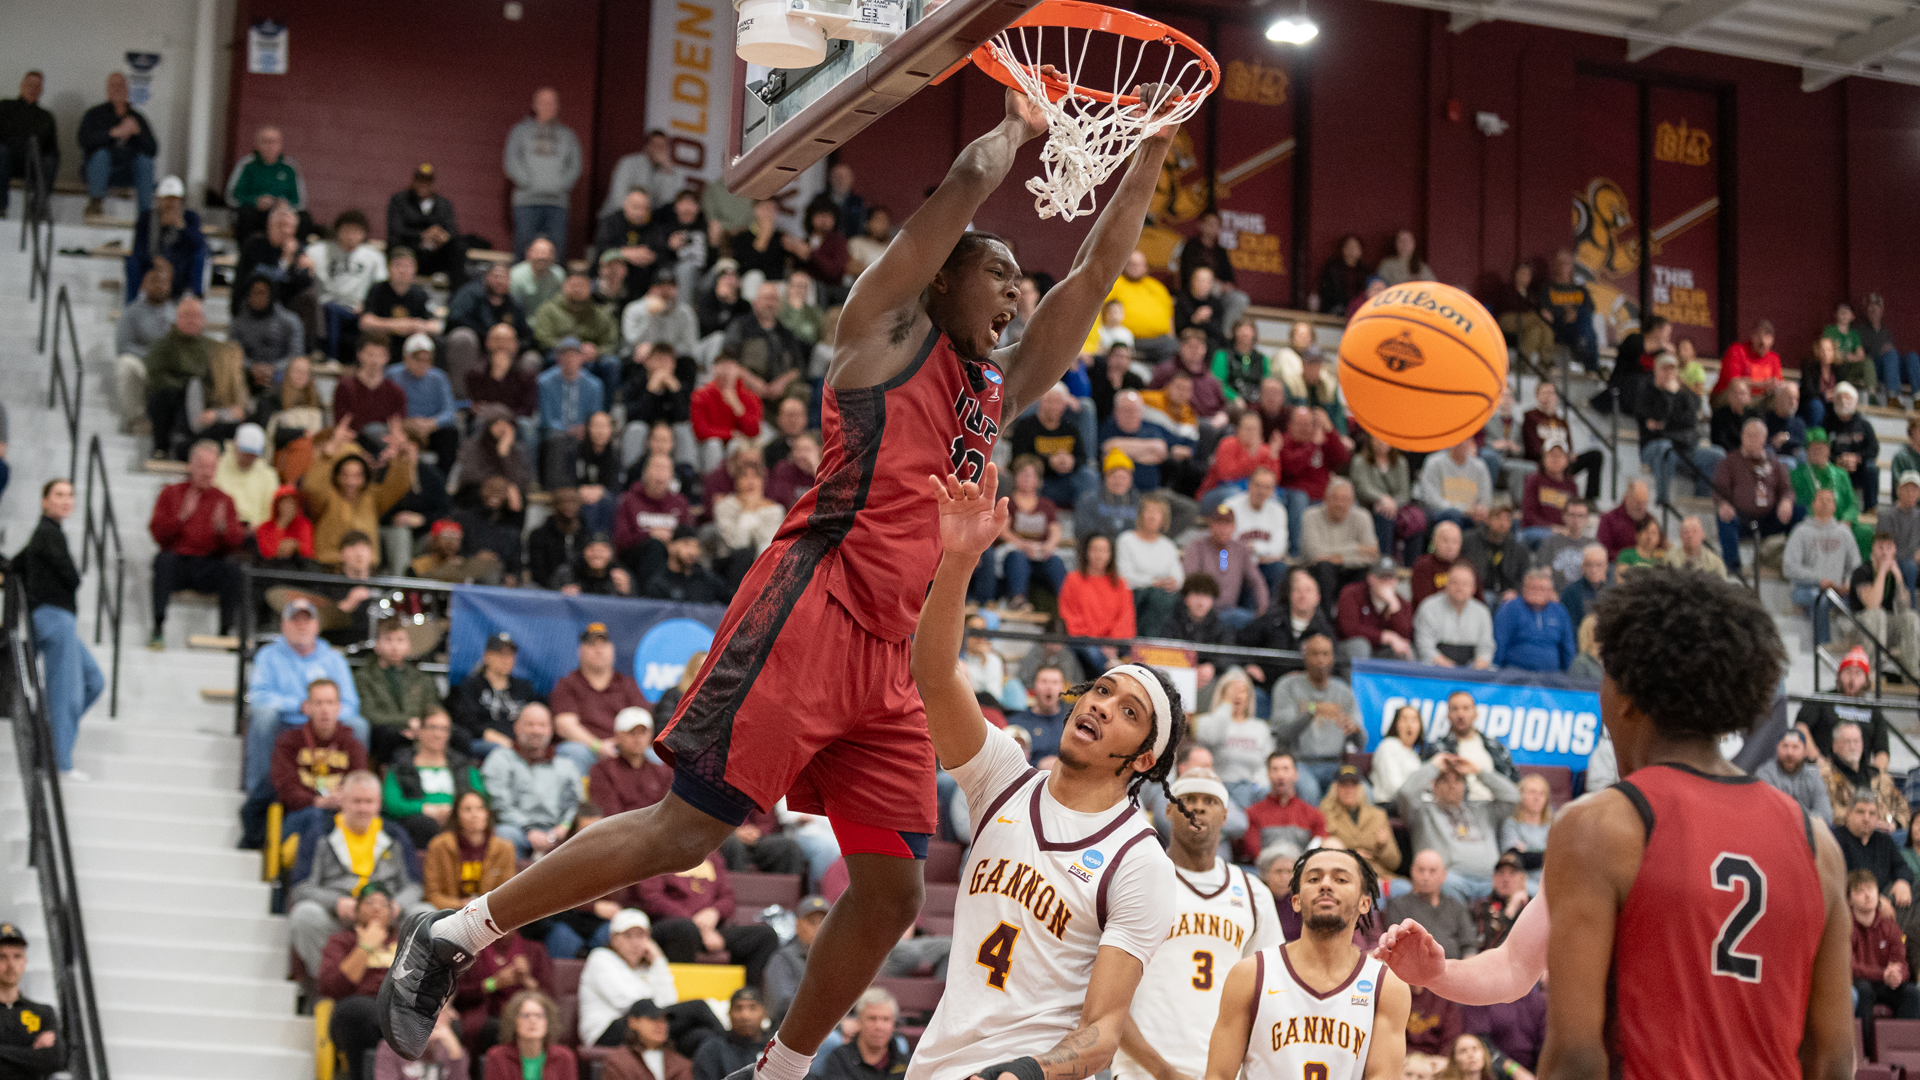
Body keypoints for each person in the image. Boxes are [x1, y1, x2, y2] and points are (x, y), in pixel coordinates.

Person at [379, 90, 1179, 1074]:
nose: (1017, 295)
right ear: (943, 277)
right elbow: (963, 187)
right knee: (685, 833)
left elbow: (1096, 276)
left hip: (892, 656)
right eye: (1000, 272)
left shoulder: (993, 393)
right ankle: (453, 933)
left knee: (890, 891)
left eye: (1021, 285)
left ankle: (782, 1069)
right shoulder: (882, 335)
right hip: (815, 602)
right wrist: (1016, 129)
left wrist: (1147, 149)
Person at [1462, 568, 1861, 1080]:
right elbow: (1832, 1061)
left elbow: (1577, 1056)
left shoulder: (1601, 825)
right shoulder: (1817, 842)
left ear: (1627, 693)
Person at [897, 464, 1179, 1080]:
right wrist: (958, 563)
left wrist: (1022, 1075)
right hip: (937, 1065)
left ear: (1145, 758)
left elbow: (1104, 1033)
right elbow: (936, 674)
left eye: (1127, 711)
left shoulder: (1139, 861)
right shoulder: (1002, 778)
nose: (1101, 706)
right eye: (1100, 691)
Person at [1111, 768, 1280, 1080]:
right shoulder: (1137, 878)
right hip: (1143, 1072)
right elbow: (1107, 995)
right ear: (1169, 810)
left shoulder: (1254, 892)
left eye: (1209, 800)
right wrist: (1163, 1072)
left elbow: (1270, 993)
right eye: (1187, 799)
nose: (1198, 807)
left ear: (1225, 815)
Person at [1199, 847, 1409, 1080]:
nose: (1326, 885)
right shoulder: (1251, 974)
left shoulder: (1387, 986)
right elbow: (1218, 1075)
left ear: (1364, 903)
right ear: (1296, 901)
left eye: (1341, 879)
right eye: (1314, 878)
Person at [288, 772, 427, 974]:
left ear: (378, 804)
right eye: (357, 801)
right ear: (343, 801)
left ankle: (408, 988)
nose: (363, 808)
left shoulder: (396, 836)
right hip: (340, 916)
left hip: (387, 916)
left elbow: (414, 886)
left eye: (369, 802)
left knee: (424, 913)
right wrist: (335, 903)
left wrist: (395, 905)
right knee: (305, 915)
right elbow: (301, 887)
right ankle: (331, 983)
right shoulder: (319, 833)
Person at [12, 480, 100, 779]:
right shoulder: (47, 535)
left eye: (70, 495)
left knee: (94, 680)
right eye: (59, 495)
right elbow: (72, 578)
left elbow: (16, 565)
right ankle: (59, 763)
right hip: (54, 618)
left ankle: (48, 736)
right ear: (44, 501)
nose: (66, 500)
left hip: (62, 621)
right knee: (65, 694)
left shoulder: (45, 535)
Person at [1396, 751, 1520, 905]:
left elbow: (1513, 797)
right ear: (1434, 785)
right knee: (1447, 883)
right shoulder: (1422, 812)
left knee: (1517, 886)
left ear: (1465, 786)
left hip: (1489, 880)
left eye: (1458, 780)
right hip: (1451, 881)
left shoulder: (1482, 809)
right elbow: (1405, 793)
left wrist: (1478, 771)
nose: (1452, 785)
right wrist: (1434, 766)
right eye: (1445, 781)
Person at [320, 881, 406, 1080]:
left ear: (392, 912)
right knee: (356, 1011)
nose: (376, 908)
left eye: (383, 904)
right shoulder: (341, 941)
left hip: (402, 1007)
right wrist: (365, 947)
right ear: (356, 911)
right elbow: (331, 987)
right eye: (369, 903)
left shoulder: (405, 941)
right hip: (360, 1007)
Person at [480, 703, 581, 859]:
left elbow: (575, 804)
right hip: (516, 829)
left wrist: (562, 828)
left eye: (542, 725)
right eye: (530, 724)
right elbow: (499, 803)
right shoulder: (499, 759)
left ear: (551, 730)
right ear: (516, 727)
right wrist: (528, 830)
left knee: (581, 835)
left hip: (557, 832)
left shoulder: (566, 765)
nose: (536, 730)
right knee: (504, 835)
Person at [547, 623, 648, 774]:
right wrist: (597, 746)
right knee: (573, 752)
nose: (599, 649)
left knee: (655, 756)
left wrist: (622, 745)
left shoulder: (627, 685)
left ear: (612, 649)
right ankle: (579, 798)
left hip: (623, 748)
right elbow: (565, 726)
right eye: (592, 644)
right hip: (587, 749)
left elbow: (643, 722)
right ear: (580, 651)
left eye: (604, 644)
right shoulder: (568, 684)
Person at [505, 88, 582, 259]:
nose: (548, 106)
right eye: (543, 102)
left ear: (558, 106)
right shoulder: (519, 132)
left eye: (552, 102)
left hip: (557, 203)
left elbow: (575, 167)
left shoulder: (568, 135)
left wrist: (560, 185)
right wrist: (528, 182)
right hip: (526, 202)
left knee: (557, 250)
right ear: (534, 105)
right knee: (524, 248)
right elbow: (511, 162)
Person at [1785, 488, 1860, 646]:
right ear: (1813, 505)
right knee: (1819, 598)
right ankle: (1823, 648)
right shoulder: (1800, 531)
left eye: (1829, 500)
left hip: (1837, 590)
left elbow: (1855, 566)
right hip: (1805, 589)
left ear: (1834, 506)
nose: (1825, 503)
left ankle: (1856, 650)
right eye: (1821, 499)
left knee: (1861, 598)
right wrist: (1818, 580)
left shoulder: (1844, 533)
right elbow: (1789, 567)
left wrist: (1847, 582)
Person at [448, 633, 540, 757]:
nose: (506, 659)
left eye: (510, 655)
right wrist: (502, 741)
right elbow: (468, 722)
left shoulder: (524, 687)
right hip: (486, 744)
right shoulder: (471, 686)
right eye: (500, 654)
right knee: (498, 750)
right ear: (486, 656)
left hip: (520, 742)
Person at [424, 791, 516, 912]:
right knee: (423, 910)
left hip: (490, 913)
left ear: (487, 813)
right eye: (467, 809)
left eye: (480, 808)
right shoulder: (439, 845)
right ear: (457, 815)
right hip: (450, 911)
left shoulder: (504, 848)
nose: (475, 814)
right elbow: (432, 895)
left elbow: (507, 893)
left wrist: (481, 906)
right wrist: (461, 904)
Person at [1058, 532, 1135, 675]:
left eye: (1104, 550)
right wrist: (1097, 642)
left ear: (1111, 554)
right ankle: (1111, 673)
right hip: (1084, 640)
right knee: (1093, 653)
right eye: (1095, 550)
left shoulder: (1120, 584)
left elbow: (1125, 618)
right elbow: (1069, 615)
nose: (1099, 555)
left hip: (1114, 642)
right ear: (1087, 552)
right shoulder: (1073, 580)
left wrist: (1111, 643)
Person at [1821, 719, 1909, 835]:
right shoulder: (1824, 777)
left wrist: (1895, 824)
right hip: (1843, 840)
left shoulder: (1881, 778)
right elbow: (1828, 814)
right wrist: (1868, 822)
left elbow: (1905, 810)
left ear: (1862, 744)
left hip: (1884, 840)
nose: (1853, 747)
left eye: (1856, 741)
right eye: (1847, 742)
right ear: (1835, 745)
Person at [0, 921, 62, 1079]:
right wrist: (31, 1054)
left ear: (25, 961)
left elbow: (55, 1059)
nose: (11, 964)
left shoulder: (42, 1013)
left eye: (17, 956)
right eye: (2, 957)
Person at [1242, 752, 1329, 865]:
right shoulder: (1253, 813)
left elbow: (1320, 850)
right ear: (1268, 774)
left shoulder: (1313, 814)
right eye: (1275, 769)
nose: (1280, 775)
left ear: (1295, 774)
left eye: (1285, 769)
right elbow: (1254, 852)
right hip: (1266, 873)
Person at [1321, 763, 1402, 882]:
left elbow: (1394, 863)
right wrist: (1352, 855)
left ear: (1360, 788)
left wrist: (1383, 846)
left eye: (1353, 785)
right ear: (1335, 788)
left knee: (1405, 888)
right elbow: (1321, 855)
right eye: (1344, 785)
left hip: (1376, 875)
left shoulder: (1378, 816)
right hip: (1341, 877)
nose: (1348, 790)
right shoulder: (1325, 815)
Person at [225, 125, 306, 243]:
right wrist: (255, 201)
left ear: (280, 145)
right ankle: (246, 255)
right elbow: (231, 197)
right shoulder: (246, 165)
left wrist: (284, 204)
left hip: (281, 213)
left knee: (305, 219)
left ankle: (295, 256)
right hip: (255, 213)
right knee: (245, 215)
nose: (270, 146)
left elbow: (300, 202)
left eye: (274, 142)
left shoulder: (290, 167)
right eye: (265, 142)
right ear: (257, 144)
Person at [0, 71, 58, 219]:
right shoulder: (5, 107)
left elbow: (51, 148)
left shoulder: (46, 117)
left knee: (50, 161)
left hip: (34, 162)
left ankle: (37, 209)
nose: (32, 88)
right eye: (29, 84)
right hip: (9, 158)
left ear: (41, 90)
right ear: (22, 86)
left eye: (36, 86)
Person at [1492, 569, 1574, 672]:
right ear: (1524, 589)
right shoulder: (1510, 609)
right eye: (1533, 588)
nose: (1537, 592)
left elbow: (1567, 647)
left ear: (1550, 591)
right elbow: (1499, 643)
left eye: (1542, 588)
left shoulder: (1559, 611)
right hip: (1515, 674)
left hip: (1551, 676)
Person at [483, 990, 577, 1080]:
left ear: (547, 1022)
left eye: (538, 1015)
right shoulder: (497, 1057)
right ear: (513, 1021)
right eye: (526, 1015)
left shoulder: (564, 1057)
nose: (533, 1021)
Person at [1416, 565, 1495, 668]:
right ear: (1446, 585)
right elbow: (1424, 646)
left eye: (1465, 584)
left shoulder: (1482, 612)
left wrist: (1478, 666)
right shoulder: (1429, 608)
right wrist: (1448, 668)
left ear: (1473, 589)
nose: (1460, 588)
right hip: (1435, 670)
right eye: (1455, 582)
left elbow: (1486, 649)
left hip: (1471, 672)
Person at [1337, 558, 1414, 661]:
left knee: (1405, 649)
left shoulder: (1400, 603)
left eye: (1390, 577)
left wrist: (1395, 608)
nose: (1386, 582)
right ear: (1370, 578)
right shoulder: (1352, 593)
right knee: (1361, 645)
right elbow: (1350, 629)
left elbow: (1405, 636)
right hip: (1350, 650)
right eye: (1382, 577)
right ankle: (1360, 677)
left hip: (1382, 651)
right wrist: (1384, 636)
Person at [601, 999, 697, 1080]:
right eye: (652, 1018)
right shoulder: (618, 1062)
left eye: (664, 1019)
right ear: (633, 1022)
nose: (660, 1025)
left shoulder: (682, 1064)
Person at [1754, 730, 1833, 823]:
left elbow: (1826, 816)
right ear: (1777, 748)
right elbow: (1766, 813)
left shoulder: (1814, 775)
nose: (1789, 752)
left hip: (1807, 834)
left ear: (1805, 751)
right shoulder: (1765, 773)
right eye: (1785, 746)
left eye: (1795, 747)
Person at [692, 989, 770, 1080]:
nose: (745, 1016)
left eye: (752, 1008)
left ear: (764, 1013)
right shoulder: (712, 1050)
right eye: (738, 1008)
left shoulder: (776, 1048)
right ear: (729, 1013)